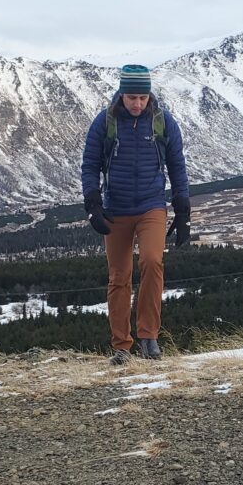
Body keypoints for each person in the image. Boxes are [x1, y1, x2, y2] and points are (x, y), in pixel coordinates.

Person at [81, 64, 191, 365]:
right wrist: (92, 204)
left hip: (151, 205)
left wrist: (183, 211)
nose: (137, 104)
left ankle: (149, 337)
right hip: (115, 208)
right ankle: (121, 346)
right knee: (119, 276)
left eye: (142, 98)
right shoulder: (105, 122)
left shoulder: (162, 122)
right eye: (131, 97)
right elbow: (90, 164)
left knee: (153, 262)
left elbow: (177, 166)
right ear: (121, 94)